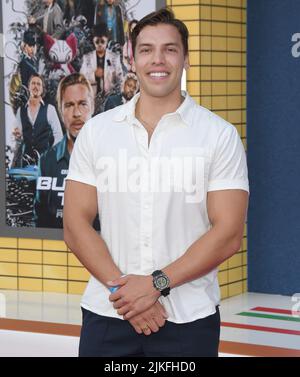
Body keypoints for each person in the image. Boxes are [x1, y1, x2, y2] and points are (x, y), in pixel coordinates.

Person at [64, 8, 249, 357]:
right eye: (146, 49)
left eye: (170, 49)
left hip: (188, 320)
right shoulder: (97, 132)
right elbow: (75, 225)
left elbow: (227, 234)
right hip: (108, 314)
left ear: (186, 59)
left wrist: (155, 285)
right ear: (132, 59)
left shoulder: (218, 136)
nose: (158, 60)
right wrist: (130, 294)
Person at [34, 73, 97, 228]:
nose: (76, 113)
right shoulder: (46, 161)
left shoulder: (111, 158)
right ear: (61, 111)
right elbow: (40, 220)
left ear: (92, 107)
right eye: (69, 105)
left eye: (83, 104)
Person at [13, 73, 63, 166]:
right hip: (25, 162)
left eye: (38, 84)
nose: (35, 86)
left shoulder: (50, 109)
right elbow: (18, 137)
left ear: (42, 89)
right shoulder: (21, 110)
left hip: (44, 161)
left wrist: (50, 155)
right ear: (28, 87)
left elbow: (59, 136)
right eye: (33, 83)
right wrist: (17, 136)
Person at [80, 23, 109, 97]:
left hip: (109, 98)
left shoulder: (114, 58)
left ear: (107, 40)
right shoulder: (87, 58)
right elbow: (81, 78)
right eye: (97, 42)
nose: (99, 44)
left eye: (102, 41)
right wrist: (94, 74)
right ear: (93, 41)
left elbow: (119, 80)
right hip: (91, 97)